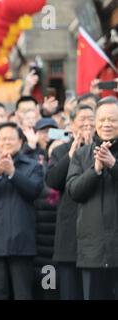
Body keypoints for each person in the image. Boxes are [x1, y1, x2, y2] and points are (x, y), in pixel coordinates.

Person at [0, 122, 44, 300]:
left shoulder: (32, 166)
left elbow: (34, 191)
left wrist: (12, 173)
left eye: (11, 138)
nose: (6, 142)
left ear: (20, 141)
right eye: (2, 138)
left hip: (23, 241)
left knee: (23, 293)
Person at [66, 97, 118, 300]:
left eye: (112, 120)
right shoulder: (81, 155)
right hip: (92, 250)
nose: (106, 124)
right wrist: (95, 170)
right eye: (102, 119)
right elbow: (74, 191)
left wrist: (113, 165)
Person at [45, 104, 95, 300]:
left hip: (96, 233)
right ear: (72, 124)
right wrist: (71, 156)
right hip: (69, 233)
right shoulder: (61, 151)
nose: (87, 124)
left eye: (91, 119)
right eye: (82, 119)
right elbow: (52, 182)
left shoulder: (105, 148)